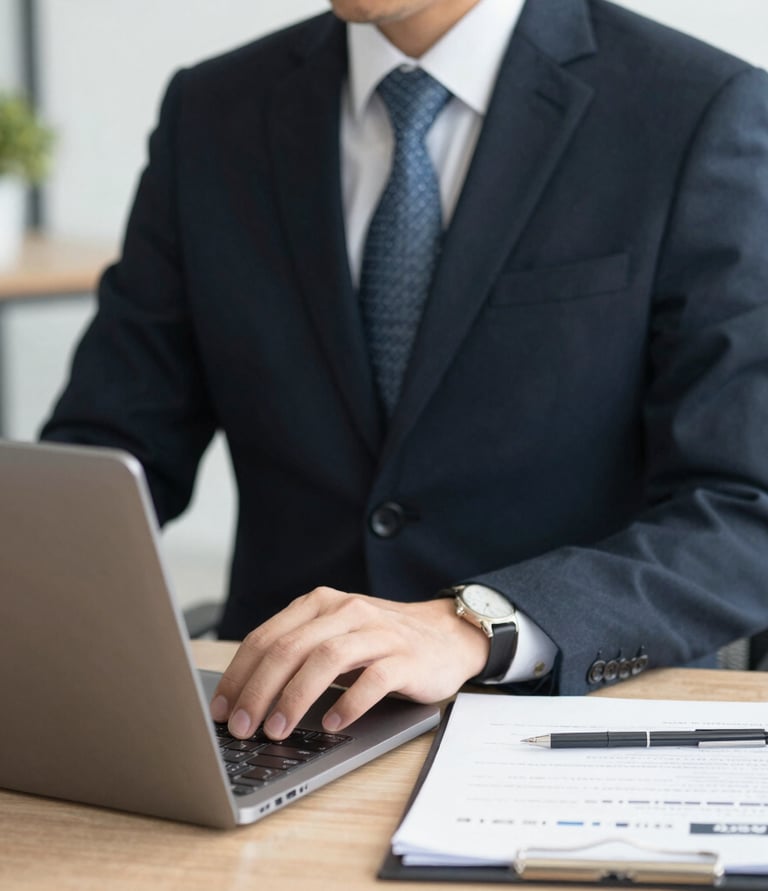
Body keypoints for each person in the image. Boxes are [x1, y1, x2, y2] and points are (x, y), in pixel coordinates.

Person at [42, 0, 768, 743]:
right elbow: (106, 449)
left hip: (563, 730)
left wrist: (477, 625)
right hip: (270, 727)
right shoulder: (213, 111)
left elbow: (745, 510)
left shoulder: (698, 110)